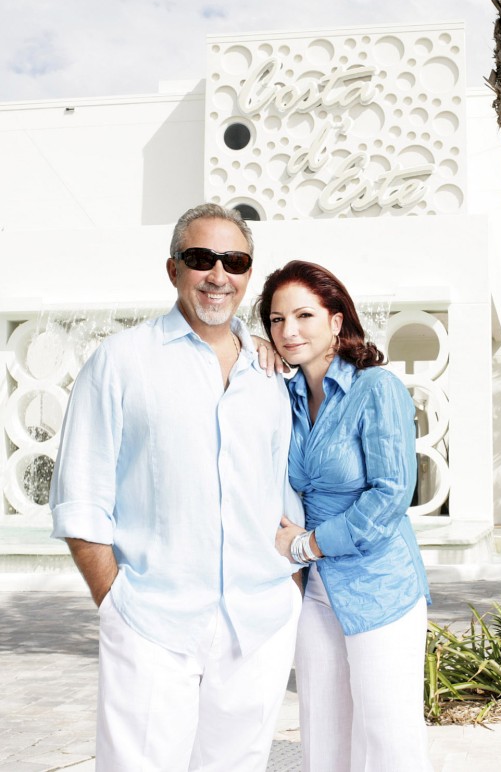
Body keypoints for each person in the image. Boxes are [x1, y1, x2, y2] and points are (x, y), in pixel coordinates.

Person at [49, 203, 304, 772]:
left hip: (258, 621)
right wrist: (115, 600)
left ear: (248, 275)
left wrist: (289, 586)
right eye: (200, 258)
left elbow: (285, 491)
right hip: (151, 622)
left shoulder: (270, 373)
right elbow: (80, 498)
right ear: (173, 269)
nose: (218, 274)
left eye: (234, 261)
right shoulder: (119, 363)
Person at [256, 260, 433, 772]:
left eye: (304, 316)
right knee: (322, 734)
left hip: (380, 585)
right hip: (317, 591)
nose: (289, 331)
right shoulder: (282, 392)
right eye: (276, 319)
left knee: (388, 736)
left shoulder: (375, 388)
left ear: (336, 321)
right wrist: (252, 344)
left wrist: (308, 543)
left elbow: (391, 493)